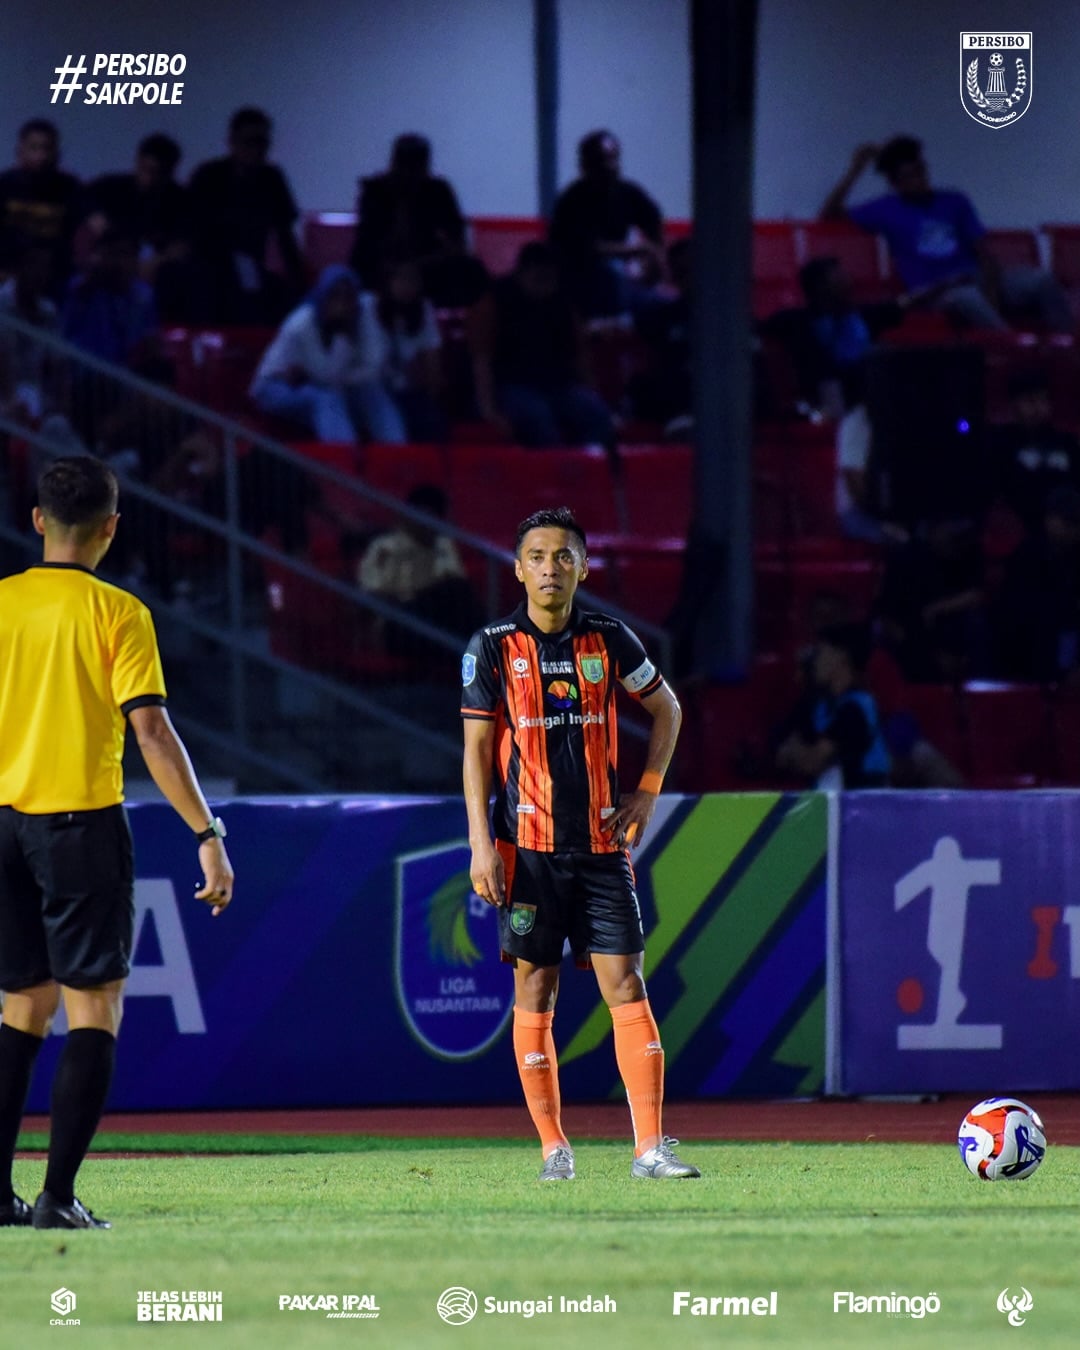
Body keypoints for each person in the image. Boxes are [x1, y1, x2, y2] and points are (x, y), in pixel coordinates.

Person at [0, 456, 233, 1230]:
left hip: (2, 825)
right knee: (91, 1009)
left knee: (21, 1005)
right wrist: (206, 831)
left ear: (38, 520)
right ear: (110, 527)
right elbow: (153, 732)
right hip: (79, 825)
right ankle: (57, 1199)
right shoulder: (119, 613)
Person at [461, 506, 699, 1182]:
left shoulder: (610, 640)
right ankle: (553, 1149)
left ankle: (650, 1148)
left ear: (584, 567)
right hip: (525, 851)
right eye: (536, 555)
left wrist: (648, 791)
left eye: (563, 555)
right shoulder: (492, 647)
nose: (550, 567)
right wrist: (480, 844)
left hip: (600, 848)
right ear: (517, 568)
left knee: (626, 983)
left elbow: (669, 708)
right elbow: (476, 751)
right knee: (535, 991)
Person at [821, 136, 1073, 333]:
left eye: (921, 171)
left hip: (975, 279)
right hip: (934, 292)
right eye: (909, 176)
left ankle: (1068, 354)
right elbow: (829, 214)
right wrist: (855, 170)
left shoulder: (954, 201)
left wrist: (992, 290)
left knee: (1042, 280)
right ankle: (1011, 350)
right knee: (966, 297)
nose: (919, 180)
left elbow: (983, 253)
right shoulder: (886, 208)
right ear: (895, 183)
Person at [468, 242, 615, 449]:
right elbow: (481, 361)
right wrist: (489, 410)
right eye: (539, 278)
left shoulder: (564, 303)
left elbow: (580, 356)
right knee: (538, 415)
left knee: (596, 413)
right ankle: (556, 476)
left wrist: (592, 392)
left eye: (550, 279)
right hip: (510, 387)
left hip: (558, 386)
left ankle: (593, 470)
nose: (545, 285)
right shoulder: (492, 304)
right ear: (521, 273)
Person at [250, 264, 405, 444]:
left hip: (324, 381)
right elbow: (325, 374)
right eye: (335, 295)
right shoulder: (302, 324)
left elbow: (372, 367)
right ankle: (343, 465)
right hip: (276, 385)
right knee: (327, 399)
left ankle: (397, 459)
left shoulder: (361, 318)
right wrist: (342, 345)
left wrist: (333, 371)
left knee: (373, 393)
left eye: (348, 297)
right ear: (323, 296)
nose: (341, 304)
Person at [187, 107, 305, 324]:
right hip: (208, 265)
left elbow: (285, 237)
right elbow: (192, 230)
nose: (256, 150)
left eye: (262, 143)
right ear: (232, 142)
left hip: (252, 265)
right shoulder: (208, 176)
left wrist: (300, 283)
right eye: (249, 142)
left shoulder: (272, 179)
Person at [349, 133, 488, 308]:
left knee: (472, 272)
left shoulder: (438, 192)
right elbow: (366, 241)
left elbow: (455, 239)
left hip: (427, 266)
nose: (409, 171)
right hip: (382, 266)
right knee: (353, 275)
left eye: (416, 164)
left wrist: (420, 264)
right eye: (405, 163)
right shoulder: (375, 192)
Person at [550, 130, 664, 319]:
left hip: (624, 278)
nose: (609, 166)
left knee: (663, 304)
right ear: (584, 165)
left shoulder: (627, 193)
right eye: (600, 160)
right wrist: (635, 251)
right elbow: (586, 249)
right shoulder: (572, 200)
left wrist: (653, 256)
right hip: (579, 281)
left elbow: (653, 223)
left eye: (613, 158)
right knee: (612, 271)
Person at [84, 133, 192, 322]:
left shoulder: (181, 201)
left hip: (154, 275)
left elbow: (184, 243)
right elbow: (82, 202)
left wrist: (157, 261)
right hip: (114, 267)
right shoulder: (112, 188)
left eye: (158, 173)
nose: (150, 178)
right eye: (146, 170)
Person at [775, 622, 890, 788]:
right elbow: (781, 756)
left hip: (866, 804)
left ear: (841, 657)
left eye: (821, 652)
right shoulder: (818, 706)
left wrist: (798, 753)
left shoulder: (857, 708)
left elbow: (811, 763)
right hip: (829, 804)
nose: (815, 661)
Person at [988, 368, 1080, 536]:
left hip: (1065, 530)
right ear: (1015, 404)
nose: (1038, 407)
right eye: (1030, 401)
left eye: (1042, 400)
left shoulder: (1067, 443)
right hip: (1017, 530)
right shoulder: (999, 443)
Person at [0, 119, 82, 293]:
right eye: (34, 148)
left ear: (57, 153)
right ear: (20, 151)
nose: (41, 156)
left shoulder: (70, 189)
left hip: (55, 280)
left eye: (47, 149)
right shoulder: (4, 186)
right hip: (7, 277)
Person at [371, 257, 447, 442]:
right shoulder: (367, 306)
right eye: (402, 278)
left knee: (433, 423)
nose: (408, 285)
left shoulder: (424, 309)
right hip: (373, 388)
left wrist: (427, 380)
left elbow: (433, 364)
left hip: (409, 391)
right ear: (388, 280)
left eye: (413, 279)